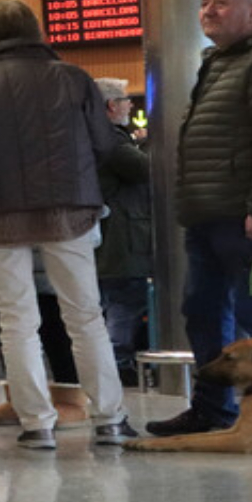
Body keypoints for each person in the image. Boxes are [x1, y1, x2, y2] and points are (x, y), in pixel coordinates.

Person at [0, 0, 131, 451]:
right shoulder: (73, 77)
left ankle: (36, 424)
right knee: (85, 315)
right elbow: (104, 143)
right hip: (69, 208)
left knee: (17, 319)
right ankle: (109, 418)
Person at [150, 0, 252, 438]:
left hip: (245, 217)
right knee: (202, 311)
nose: (208, 11)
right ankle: (212, 410)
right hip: (207, 214)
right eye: (204, 4)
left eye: (221, 4)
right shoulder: (219, 61)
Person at [92, 78, 152, 386]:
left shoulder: (91, 136)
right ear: (111, 105)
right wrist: (152, 143)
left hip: (108, 236)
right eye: (126, 100)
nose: (130, 105)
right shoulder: (112, 141)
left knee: (112, 303)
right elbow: (146, 169)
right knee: (125, 303)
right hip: (122, 238)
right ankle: (117, 362)